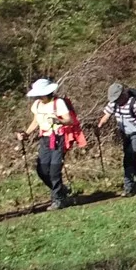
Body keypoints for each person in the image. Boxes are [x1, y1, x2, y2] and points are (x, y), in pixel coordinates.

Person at [16, 78, 80, 210]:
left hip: (58, 138)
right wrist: (26, 133)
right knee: (42, 170)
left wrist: (58, 120)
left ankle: (58, 199)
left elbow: (70, 120)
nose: (37, 96)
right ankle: (61, 190)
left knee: (54, 170)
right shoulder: (37, 105)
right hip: (44, 139)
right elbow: (36, 121)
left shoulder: (59, 103)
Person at [97, 83, 136, 196]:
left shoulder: (134, 104)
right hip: (124, 136)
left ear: (123, 94)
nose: (116, 101)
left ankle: (129, 188)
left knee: (128, 160)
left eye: (117, 99)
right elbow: (106, 115)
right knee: (133, 160)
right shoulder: (113, 104)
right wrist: (100, 125)